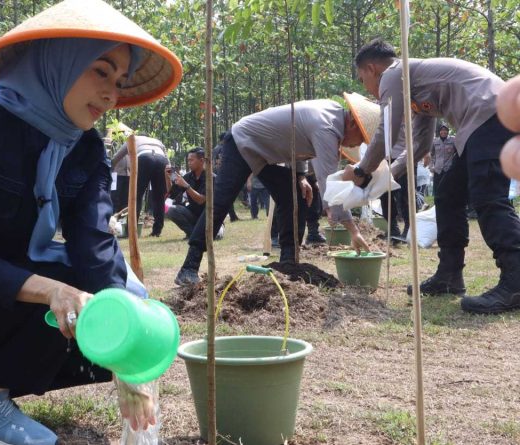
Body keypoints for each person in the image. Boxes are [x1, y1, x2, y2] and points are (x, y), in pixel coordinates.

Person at [0, 1, 182, 443]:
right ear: (56, 64)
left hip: (3, 293)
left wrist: (130, 355)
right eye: (100, 72)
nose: (111, 95)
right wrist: (53, 291)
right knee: (66, 292)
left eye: (119, 82)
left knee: (99, 300)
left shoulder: (84, 148)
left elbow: (95, 248)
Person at [348, 38, 520, 314]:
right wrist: (385, 176)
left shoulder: (394, 73)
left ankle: (515, 281)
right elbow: (420, 146)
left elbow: (386, 132)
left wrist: (362, 171)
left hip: (489, 114)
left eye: (362, 79)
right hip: (480, 120)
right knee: (448, 193)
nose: (366, 88)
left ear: (371, 68)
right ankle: (450, 275)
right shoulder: (414, 85)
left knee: (488, 198)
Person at [174, 98, 371, 286]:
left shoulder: (331, 113)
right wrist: (353, 231)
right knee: (220, 203)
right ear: (353, 123)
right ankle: (188, 267)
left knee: (295, 194)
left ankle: (288, 263)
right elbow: (330, 184)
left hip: (264, 152)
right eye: (359, 139)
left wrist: (300, 176)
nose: (354, 145)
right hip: (242, 141)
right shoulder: (327, 127)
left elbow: (298, 139)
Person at [111, 134, 169, 236]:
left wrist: (109, 169)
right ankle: (157, 231)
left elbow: (116, 157)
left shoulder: (133, 138)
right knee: (159, 197)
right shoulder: (157, 141)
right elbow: (167, 161)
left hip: (144, 158)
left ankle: (131, 231)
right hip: (161, 160)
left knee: (136, 197)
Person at [165, 147, 208, 238]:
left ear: (201, 160)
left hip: (209, 217)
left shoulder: (210, 177)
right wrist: (168, 178)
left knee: (216, 234)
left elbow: (201, 200)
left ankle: (198, 234)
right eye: (188, 160)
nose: (189, 163)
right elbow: (172, 195)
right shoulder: (188, 176)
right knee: (170, 209)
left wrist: (186, 186)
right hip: (193, 215)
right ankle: (193, 234)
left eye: (191, 160)